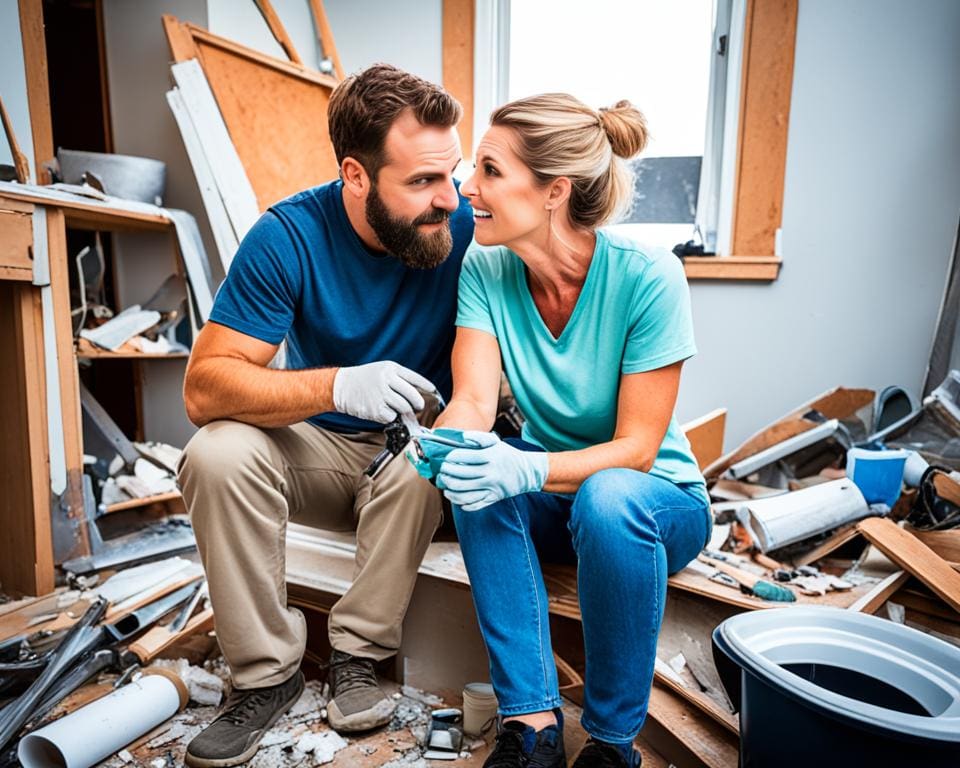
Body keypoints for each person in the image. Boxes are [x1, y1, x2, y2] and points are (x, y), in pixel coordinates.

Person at [177, 64, 473, 768]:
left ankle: (358, 657)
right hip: (322, 450)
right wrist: (338, 386)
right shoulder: (288, 236)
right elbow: (204, 389)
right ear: (357, 175)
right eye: (424, 182)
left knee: (427, 461)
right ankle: (266, 676)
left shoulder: (465, 228)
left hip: (412, 455)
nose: (450, 200)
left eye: (453, 174)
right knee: (216, 453)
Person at [432, 94, 711, 768]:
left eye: (490, 172)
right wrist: (444, 441)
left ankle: (614, 744)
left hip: (651, 501)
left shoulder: (648, 277)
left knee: (608, 497)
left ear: (555, 190)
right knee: (477, 479)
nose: (468, 190)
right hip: (563, 493)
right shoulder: (486, 267)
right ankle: (531, 725)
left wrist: (524, 467)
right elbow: (472, 398)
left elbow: (637, 451)